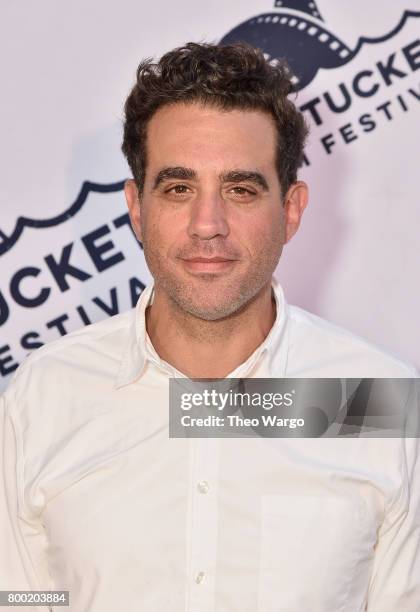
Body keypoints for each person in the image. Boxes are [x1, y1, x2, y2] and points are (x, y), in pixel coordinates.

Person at [0, 41, 418, 611]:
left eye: (240, 189)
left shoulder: (379, 400)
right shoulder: (45, 396)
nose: (207, 225)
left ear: (291, 210)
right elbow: (20, 600)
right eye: (178, 188)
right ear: (136, 208)